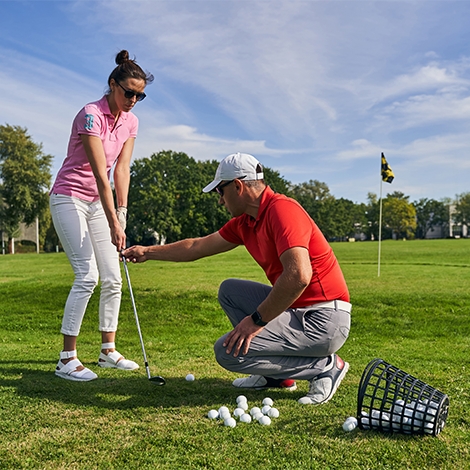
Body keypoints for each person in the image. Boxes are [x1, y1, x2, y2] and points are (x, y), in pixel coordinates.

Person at [122, 152, 351, 404]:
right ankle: (275, 376)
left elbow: (298, 276)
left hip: (323, 320)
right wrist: (147, 252)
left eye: (220, 192)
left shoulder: (283, 210)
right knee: (230, 290)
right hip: (297, 312)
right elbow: (196, 247)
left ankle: (324, 367)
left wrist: (255, 321)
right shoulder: (245, 222)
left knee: (228, 353)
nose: (220, 201)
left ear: (238, 186)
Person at [50, 50, 154, 381]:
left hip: (99, 203)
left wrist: (121, 213)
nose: (134, 100)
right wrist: (113, 221)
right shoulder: (90, 115)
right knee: (87, 275)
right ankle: (66, 358)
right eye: (129, 93)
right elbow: (99, 174)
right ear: (112, 85)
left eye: (140, 95)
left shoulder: (131, 121)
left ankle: (107, 350)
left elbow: (122, 169)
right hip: (69, 197)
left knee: (113, 276)